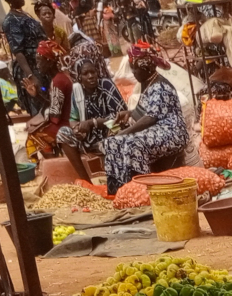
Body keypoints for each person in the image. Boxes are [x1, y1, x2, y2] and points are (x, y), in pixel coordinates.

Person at [101, 42, 187, 195]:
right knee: (112, 142)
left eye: (134, 68)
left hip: (172, 134)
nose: (133, 72)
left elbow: (151, 118)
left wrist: (126, 132)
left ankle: (142, 192)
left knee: (132, 143)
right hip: (157, 130)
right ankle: (120, 191)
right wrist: (129, 113)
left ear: (145, 68)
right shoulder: (148, 83)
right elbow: (151, 109)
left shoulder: (160, 86)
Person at [56, 42, 127, 179]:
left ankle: (118, 177)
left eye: (93, 72)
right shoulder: (76, 91)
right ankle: (85, 180)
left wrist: (93, 123)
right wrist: (77, 128)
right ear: (79, 77)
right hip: (87, 139)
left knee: (119, 128)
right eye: (85, 74)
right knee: (63, 133)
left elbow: (122, 115)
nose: (90, 76)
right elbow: (72, 119)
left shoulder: (106, 85)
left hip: (109, 131)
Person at [0, 0, 48, 113]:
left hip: (40, 65)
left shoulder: (24, 14)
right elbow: (18, 51)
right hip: (30, 69)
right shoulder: (10, 21)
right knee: (40, 105)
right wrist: (31, 76)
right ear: (9, 0)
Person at [23, 39, 72, 161]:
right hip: (66, 120)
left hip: (67, 124)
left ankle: (54, 163)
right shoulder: (59, 78)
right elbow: (55, 105)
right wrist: (37, 95)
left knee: (34, 135)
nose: (37, 64)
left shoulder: (58, 81)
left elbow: (55, 116)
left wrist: (35, 123)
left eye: (40, 61)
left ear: (49, 62)